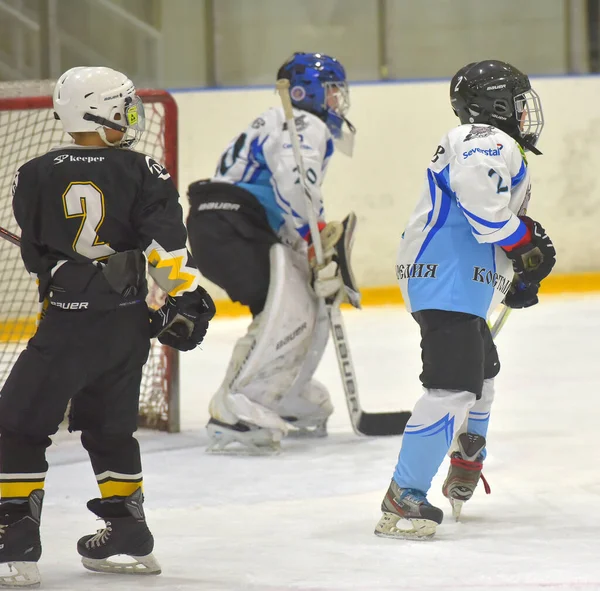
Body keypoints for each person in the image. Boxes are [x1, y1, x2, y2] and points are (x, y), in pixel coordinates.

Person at [0, 66, 215, 586]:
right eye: (125, 104)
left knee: (17, 426)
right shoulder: (145, 170)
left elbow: (35, 258)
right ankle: (127, 533)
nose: (132, 114)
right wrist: (187, 297)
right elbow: (166, 250)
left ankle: (14, 538)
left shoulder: (33, 173)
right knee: (110, 429)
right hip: (127, 325)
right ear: (103, 110)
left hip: (67, 325)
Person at [374, 60, 556, 540]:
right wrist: (525, 247)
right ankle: (403, 497)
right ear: (495, 104)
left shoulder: (490, 143)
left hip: (458, 279)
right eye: (516, 102)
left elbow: (492, 219)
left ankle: (466, 454)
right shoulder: (484, 138)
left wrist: (521, 259)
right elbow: (485, 211)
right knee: (452, 388)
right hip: (446, 279)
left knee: (482, 377)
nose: (523, 112)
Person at [186, 52, 358, 454]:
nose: (337, 101)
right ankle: (239, 406)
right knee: (286, 312)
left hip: (226, 224)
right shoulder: (306, 123)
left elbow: (282, 197)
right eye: (333, 91)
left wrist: (313, 252)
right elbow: (295, 183)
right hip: (233, 225)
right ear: (309, 92)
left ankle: (285, 393)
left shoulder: (277, 120)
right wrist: (314, 237)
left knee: (305, 300)